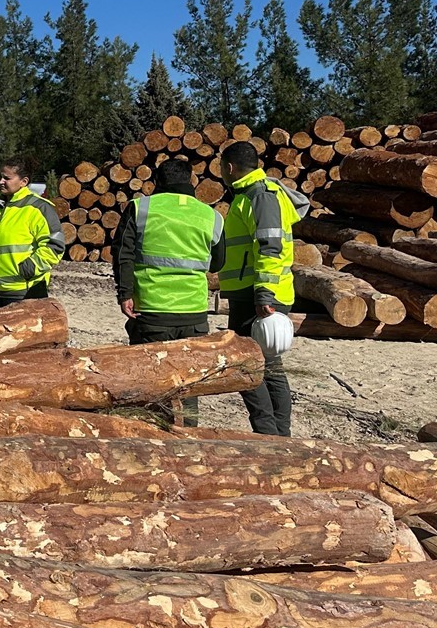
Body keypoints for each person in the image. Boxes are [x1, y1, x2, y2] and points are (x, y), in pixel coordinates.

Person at [111, 156, 226, 425]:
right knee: (188, 383)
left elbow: (122, 254)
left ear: (157, 181)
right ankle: (188, 439)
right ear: (190, 181)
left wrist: (125, 294)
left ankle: (153, 441)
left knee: (150, 382)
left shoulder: (140, 208)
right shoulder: (211, 215)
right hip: (194, 313)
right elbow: (218, 262)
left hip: (151, 310)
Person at [218, 140, 310, 436]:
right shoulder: (249, 194)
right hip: (253, 292)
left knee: (247, 366)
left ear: (229, 168)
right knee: (267, 367)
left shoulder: (260, 196)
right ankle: (278, 436)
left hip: (257, 295)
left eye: (221, 168)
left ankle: (271, 435)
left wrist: (264, 294)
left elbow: (270, 247)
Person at [0, 156, 64, 310]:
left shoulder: (39, 209)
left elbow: (55, 246)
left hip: (25, 292)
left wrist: (28, 269)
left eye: (7, 178)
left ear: (24, 181)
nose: (1, 181)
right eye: (1, 176)